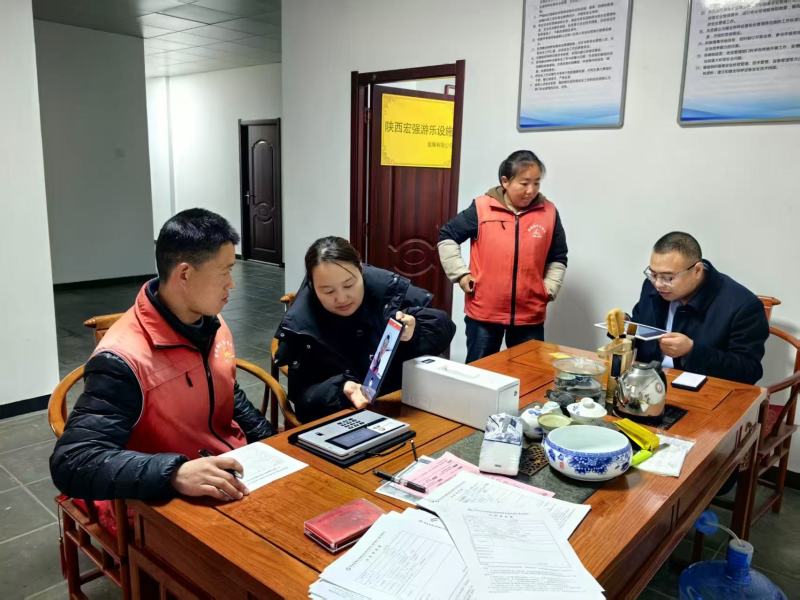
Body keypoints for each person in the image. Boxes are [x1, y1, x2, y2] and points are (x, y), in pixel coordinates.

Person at [50, 208, 273, 506]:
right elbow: (74, 461)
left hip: (228, 469)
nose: (231, 283)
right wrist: (174, 473)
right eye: (225, 272)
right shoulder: (123, 358)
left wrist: (271, 442)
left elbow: (225, 389)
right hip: (163, 497)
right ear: (184, 274)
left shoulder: (212, 322)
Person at [274, 236, 456, 423]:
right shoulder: (302, 325)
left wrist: (415, 331)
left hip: (400, 408)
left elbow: (444, 328)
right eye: (328, 291)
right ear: (312, 286)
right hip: (341, 419)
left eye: (349, 285)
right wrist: (340, 389)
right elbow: (304, 401)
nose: (342, 298)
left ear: (361, 270)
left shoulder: (388, 294)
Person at [438, 149, 568, 362]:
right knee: (480, 373)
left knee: (528, 374)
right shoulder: (482, 208)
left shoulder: (549, 212)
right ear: (505, 181)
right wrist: (460, 274)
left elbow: (558, 256)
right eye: (524, 183)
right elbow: (447, 236)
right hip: (484, 313)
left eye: (536, 183)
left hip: (529, 315)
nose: (531, 190)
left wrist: (549, 288)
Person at [631, 231, 768, 385]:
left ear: (697, 270)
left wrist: (691, 351)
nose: (658, 284)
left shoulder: (742, 305)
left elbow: (749, 370)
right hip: (649, 383)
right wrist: (622, 328)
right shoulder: (652, 287)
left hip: (705, 390)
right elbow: (639, 329)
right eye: (653, 274)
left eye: (668, 277)